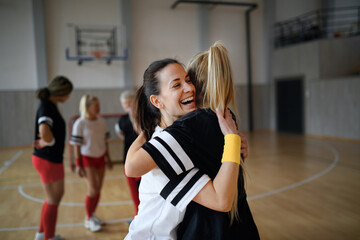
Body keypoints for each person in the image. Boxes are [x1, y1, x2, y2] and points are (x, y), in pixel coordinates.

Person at [126, 42, 259, 239]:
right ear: (157, 101)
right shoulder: (172, 142)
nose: (190, 88)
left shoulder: (184, 133)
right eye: (177, 85)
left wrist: (235, 143)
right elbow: (131, 168)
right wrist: (232, 141)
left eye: (188, 80)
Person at [32, 76, 73, 240]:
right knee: (53, 199)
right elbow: (44, 131)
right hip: (47, 159)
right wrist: (50, 141)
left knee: (53, 198)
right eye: (68, 93)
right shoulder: (47, 107)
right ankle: (48, 237)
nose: (68, 97)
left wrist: (49, 141)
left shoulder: (50, 105)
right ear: (61, 92)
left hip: (50, 159)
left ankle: (42, 234)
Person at [70, 95, 113, 232]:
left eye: (98, 104)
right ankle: (88, 219)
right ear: (87, 107)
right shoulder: (80, 123)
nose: (98, 107)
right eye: (95, 105)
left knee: (98, 190)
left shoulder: (102, 122)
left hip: (100, 158)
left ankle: (92, 215)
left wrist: (108, 159)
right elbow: (76, 145)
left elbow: (105, 142)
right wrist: (78, 165)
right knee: (92, 189)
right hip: (87, 159)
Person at [115, 90, 141, 218]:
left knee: (142, 188)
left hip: (142, 158)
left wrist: (133, 117)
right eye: (125, 103)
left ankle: (142, 213)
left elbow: (140, 132)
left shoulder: (142, 116)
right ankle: (136, 213)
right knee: (133, 189)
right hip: (128, 157)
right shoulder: (122, 119)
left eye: (129, 102)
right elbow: (120, 133)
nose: (127, 105)